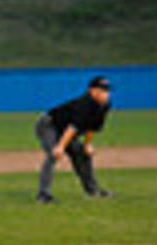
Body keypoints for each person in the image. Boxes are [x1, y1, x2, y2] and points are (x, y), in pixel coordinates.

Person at [35, 76, 112, 204]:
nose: (106, 94)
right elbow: (72, 128)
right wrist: (60, 147)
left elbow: (92, 127)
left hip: (64, 130)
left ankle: (93, 190)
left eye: (107, 91)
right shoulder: (84, 104)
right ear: (92, 91)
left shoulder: (104, 106)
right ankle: (43, 195)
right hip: (48, 125)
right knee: (54, 155)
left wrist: (87, 145)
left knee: (83, 154)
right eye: (102, 90)